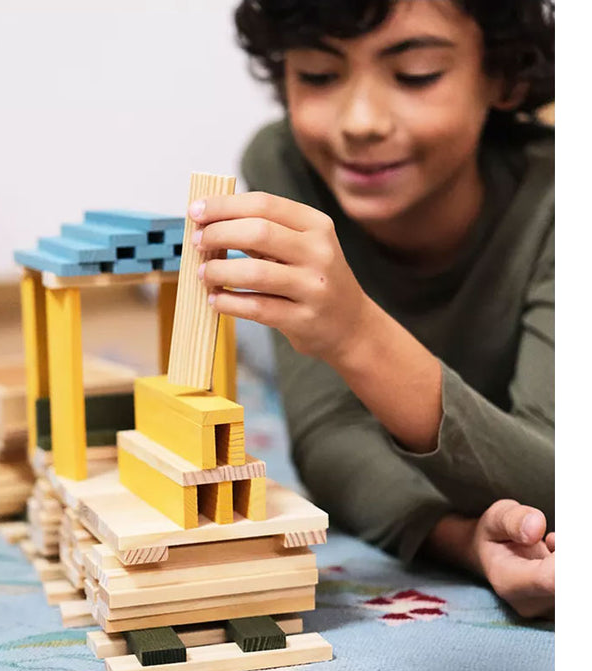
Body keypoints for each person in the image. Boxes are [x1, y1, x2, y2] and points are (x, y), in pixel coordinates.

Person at [189, 0, 555, 618]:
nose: (359, 122)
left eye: (416, 75)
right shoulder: (284, 162)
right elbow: (329, 437)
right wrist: (464, 540)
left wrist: (355, 333)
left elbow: (556, 479)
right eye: (318, 75)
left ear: (503, 76)